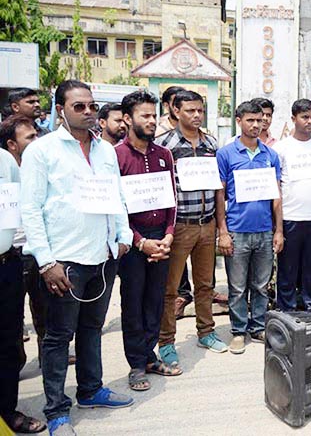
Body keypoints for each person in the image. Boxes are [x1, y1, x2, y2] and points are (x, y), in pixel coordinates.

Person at [20, 80, 134, 435]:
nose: (88, 112)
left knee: (91, 328)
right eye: (79, 106)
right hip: (64, 261)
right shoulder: (42, 151)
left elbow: (115, 196)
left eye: (92, 106)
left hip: (103, 255)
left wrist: (124, 236)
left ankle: (91, 389)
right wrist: (46, 262)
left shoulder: (105, 151)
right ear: (60, 110)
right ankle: (57, 410)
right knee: (58, 337)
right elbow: (30, 209)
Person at [156, 89, 229, 368]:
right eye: (190, 110)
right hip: (179, 226)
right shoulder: (165, 145)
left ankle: (206, 332)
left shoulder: (211, 143)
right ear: (175, 111)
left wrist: (221, 227)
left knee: (205, 284)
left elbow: (218, 188)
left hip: (206, 224)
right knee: (170, 289)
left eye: (200, 110)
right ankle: (166, 342)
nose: (197, 115)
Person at [115, 90, 182, 391]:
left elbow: (172, 201)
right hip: (132, 242)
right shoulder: (116, 156)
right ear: (127, 119)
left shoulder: (164, 155)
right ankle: (136, 365)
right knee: (133, 303)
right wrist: (141, 242)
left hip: (161, 239)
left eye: (154, 115)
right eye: (145, 115)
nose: (152, 121)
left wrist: (168, 235)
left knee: (155, 301)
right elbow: (117, 209)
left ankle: (149, 356)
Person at [217, 101, 284, 354]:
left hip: (264, 231)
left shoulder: (270, 155)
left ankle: (257, 326)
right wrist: (223, 232)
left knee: (261, 284)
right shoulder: (226, 154)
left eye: (260, 120)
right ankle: (238, 330)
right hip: (237, 230)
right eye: (251, 120)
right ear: (239, 121)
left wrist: (279, 230)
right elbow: (220, 194)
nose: (257, 125)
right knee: (237, 287)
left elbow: (276, 195)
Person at [0, 147, 46, 434]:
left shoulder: (5, 160)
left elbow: (23, 205)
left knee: (8, 341)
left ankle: (7, 410)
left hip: (7, 263)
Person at [273, 100, 311, 311]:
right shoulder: (281, 148)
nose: (309, 121)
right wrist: (278, 224)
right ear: (293, 119)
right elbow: (277, 186)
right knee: (288, 267)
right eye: (305, 117)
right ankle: (286, 308)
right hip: (291, 217)